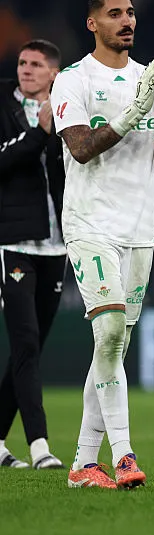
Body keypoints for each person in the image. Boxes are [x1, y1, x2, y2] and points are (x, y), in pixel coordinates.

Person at [52, 0, 154, 489]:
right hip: (90, 225)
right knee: (109, 335)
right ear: (93, 23)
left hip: (140, 229)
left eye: (131, 12)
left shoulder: (149, 78)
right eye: (114, 14)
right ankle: (125, 455)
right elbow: (82, 148)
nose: (126, 20)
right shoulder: (72, 80)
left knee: (113, 346)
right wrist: (128, 115)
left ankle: (84, 464)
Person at [0, 40, 65, 470]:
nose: (26, 69)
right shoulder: (3, 106)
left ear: (53, 74)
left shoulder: (66, 110)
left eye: (36, 64)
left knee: (32, 347)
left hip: (57, 243)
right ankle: (39, 445)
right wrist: (38, 133)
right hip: (14, 243)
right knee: (24, 342)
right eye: (23, 62)